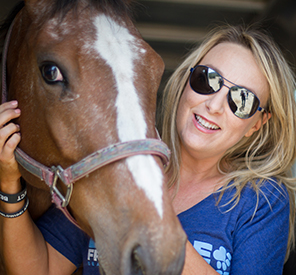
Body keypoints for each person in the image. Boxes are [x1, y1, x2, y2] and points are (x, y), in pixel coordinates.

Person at [1, 24, 296, 274]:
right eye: (207, 80)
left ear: (258, 123)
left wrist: (148, 211)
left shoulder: (261, 200)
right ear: (185, 80)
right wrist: (8, 183)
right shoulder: (115, 163)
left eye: (241, 100)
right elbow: (38, 268)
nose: (215, 106)